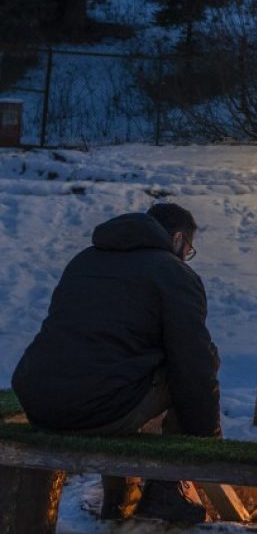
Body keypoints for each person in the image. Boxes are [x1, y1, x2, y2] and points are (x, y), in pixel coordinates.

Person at [12, 202, 220, 524]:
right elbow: (194, 363)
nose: (186, 256)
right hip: (97, 408)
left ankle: (120, 500)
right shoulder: (174, 273)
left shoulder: (84, 260)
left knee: (119, 374)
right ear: (179, 239)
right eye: (189, 249)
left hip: (38, 400)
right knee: (190, 364)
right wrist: (205, 438)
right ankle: (165, 490)